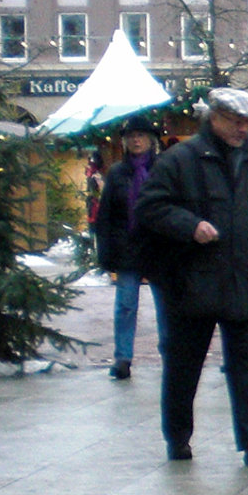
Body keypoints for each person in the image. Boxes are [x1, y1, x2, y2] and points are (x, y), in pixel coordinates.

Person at [135, 88, 248, 468]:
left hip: (243, 281)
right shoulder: (180, 159)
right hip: (189, 283)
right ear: (215, 118)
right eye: (236, 121)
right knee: (183, 366)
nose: (244, 129)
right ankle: (178, 437)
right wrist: (189, 226)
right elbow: (150, 208)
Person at [91, 113, 167, 380]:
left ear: (151, 140)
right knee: (125, 305)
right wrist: (106, 251)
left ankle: (170, 354)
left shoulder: (163, 170)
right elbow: (106, 216)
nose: (136, 140)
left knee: (165, 306)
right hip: (127, 248)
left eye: (141, 136)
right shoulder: (117, 173)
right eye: (131, 136)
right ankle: (123, 357)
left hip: (158, 248)